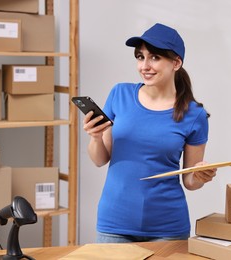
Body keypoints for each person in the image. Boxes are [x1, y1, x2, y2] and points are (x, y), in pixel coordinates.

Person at [82, 23, 217, 243]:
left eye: (154, 57)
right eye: (140, 57)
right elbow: (100, 159)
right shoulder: (120, 94)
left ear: (176, 63)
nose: (144, 65)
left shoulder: (194, 114)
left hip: (167, 229)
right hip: (114, 224)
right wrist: (95, 137)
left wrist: (201, 176)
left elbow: (190, 182)